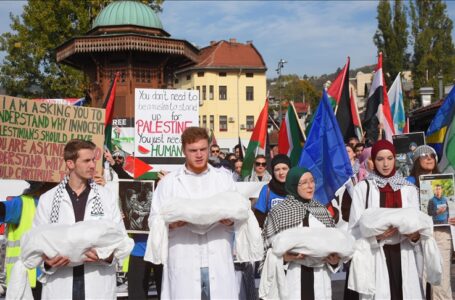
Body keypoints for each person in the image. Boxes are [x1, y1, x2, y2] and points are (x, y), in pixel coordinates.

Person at [148, 127, 238, 299]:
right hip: (184, 258)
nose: (199, 155)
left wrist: (231, 221)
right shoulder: (169, 183)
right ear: (184, 151)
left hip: (217, 256)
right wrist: (172, 225)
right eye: (193, 150)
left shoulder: (224, 179)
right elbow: (154, 220)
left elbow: (239, 214)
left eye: (203, 149)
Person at [33, 139, 123, 299]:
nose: (92, 165)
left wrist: (109, 256)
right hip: (61, 284)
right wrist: (47, 263)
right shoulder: (48, 199)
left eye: (93, 160)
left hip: (97, 282)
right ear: (70, 164)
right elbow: (37, 243)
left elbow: (120, 238)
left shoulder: (106, 197)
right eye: (86, 160)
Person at [348, 140, 422, 299]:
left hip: (404, 252)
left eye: (389, 158)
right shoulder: (363, 188)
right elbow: (354, 228)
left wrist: (414, 236)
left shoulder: (408, 189)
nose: (386, 164)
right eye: (380, 159)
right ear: (373, 161)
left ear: (395, 159)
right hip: (376, 253)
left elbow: (417, 224)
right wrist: (376, 237)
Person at [262, 166, 341, 299]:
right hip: (291, 277)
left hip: (319, 276)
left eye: (312, 181)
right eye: (304, 183)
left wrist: (334, 261)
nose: (310, 186)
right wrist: (284, 258)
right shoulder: (279, 212)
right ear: (293, 185)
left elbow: (333, 245)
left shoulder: (322, 211)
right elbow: (266, 251)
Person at [407, 144, 454, 299]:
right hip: (418, 237)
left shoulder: (447, 183)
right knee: (419, 279)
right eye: (424, 155)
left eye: (432, 155)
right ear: (415, 161)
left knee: (442, 280)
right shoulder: (408, 185)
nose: (428, 157)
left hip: (442, 234)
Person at [1, 181, 57, 300]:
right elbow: (4, 209)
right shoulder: (23, 203)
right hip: (27, 281)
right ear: (42, 185)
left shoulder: (59, 205)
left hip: (53, 278)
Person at [253, 154, 291, 227]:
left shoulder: (297, 188)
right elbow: (259, 217)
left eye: (284, 168)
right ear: (273, 172)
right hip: (273, 234)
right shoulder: (267, 189)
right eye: (277, 169)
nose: (281, 173)